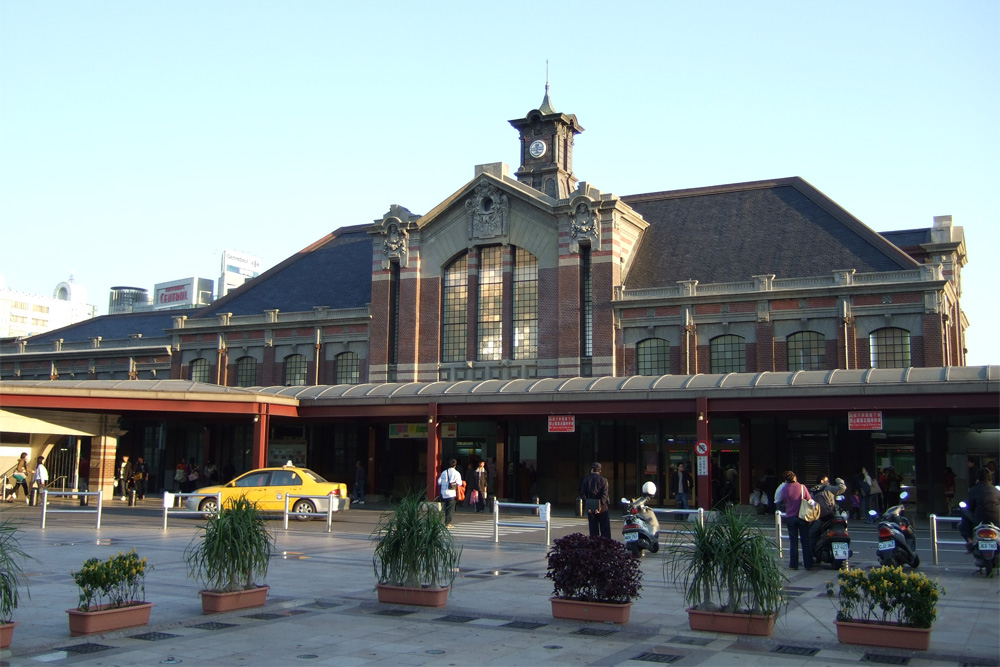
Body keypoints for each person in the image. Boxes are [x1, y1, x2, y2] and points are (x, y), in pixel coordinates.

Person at [775, 470, 814, 570]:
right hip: (802, 517)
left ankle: (793, 565)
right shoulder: (802, 487)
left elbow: (782, 500)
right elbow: (809, 499)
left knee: (793, 542)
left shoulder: (784, 488)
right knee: (805, 541)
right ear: (795, 477)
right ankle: (808, 564)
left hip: (790, 517)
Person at [960, 468, 1000, 550]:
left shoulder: (973, 489)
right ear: (990, 478)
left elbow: (970, 506)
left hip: (979, 519)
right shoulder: (996, 490)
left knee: (964, 514)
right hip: (996, 519)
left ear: (978, 478)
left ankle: (970, 540)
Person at [809, 474, 846, 544]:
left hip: (820, 517)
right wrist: (838, 479)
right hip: (831, 515)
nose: (828, 482)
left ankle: (810, 554)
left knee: (811, 535)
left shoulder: (813, 490)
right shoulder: (828, 488)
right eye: (827, 480)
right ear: (822, 481)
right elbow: (842, 487)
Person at [580, 461, 611, 539]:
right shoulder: (604, 480)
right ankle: (606, 545)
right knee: (605, 527)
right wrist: (600, 506)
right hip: (603, 506)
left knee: (593, 528)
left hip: (591, 505)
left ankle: (594, 545)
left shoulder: (586, 480)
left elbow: (583, 494)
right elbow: (605, 494)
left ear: (592, 470)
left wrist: (588, 505)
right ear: (600, 471)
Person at [437, 459, 461, 528]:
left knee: (446, 508)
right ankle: (447, 523)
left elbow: (439, 482)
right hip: (451, 493)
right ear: (455, 465)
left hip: (443, 493)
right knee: (450, 508)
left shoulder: (444, 472)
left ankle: (445, 521)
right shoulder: (456, 473)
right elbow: (459, 483)